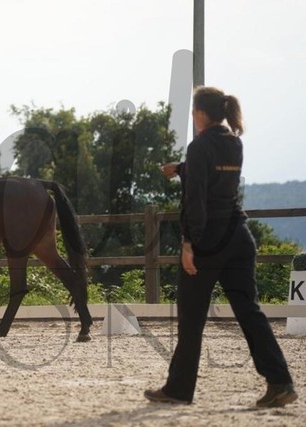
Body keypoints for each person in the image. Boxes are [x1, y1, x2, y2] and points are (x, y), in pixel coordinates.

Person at [144, 86, 297, 407]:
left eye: (193, 111)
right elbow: (213, 178)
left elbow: (197, 199)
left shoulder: (199, 146)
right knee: (250, 313)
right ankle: (280, 382)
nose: (192, 115)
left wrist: (189, 243)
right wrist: (182, 168)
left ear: (201, 113)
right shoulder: (234, 142)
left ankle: (179, 389)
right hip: (239, 237)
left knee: (191, 318)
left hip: (208, 241)